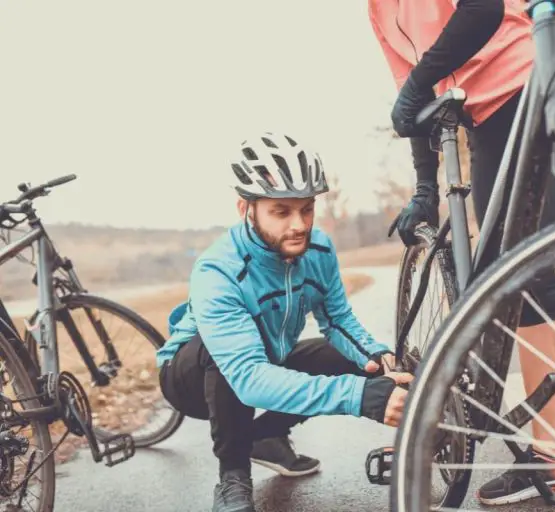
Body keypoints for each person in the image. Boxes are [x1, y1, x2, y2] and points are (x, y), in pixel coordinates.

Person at [368, 0, 555, 508]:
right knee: (517, 286)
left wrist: (415, 87)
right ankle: (549, 455)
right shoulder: (377, 11)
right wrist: (425, 187)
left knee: (554, 275)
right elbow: (413, 97)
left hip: (531, 93)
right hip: (482, 124)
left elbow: (484, 9)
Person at [155, 131, 413, 512]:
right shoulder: (218, 270)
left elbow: (338, 321)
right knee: (229, 360)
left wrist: (379, 361)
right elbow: (247, 376)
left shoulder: (319, 249)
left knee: (347, 357)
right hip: (191, 378)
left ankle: (268, 436)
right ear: (246, 209)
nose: (299, 224)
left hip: (265, 358)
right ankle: (233, 477)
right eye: (281, 211)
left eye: (306, 209)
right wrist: (358, 397)